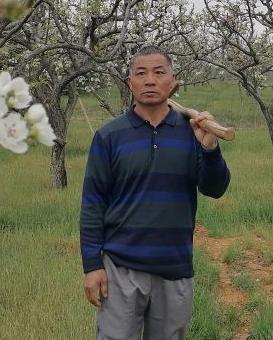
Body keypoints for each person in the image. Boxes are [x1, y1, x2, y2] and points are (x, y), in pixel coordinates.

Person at [80, 45, 231, 340]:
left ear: (172, 82)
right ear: (130, 83)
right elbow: (92, 204)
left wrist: (210, 147)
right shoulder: (109, 136)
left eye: (159, 73)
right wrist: (92, 265)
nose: (150, 80)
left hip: (174, 265)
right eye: (141, 73)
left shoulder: (192, 132)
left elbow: (215, 189)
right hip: (120, 265)